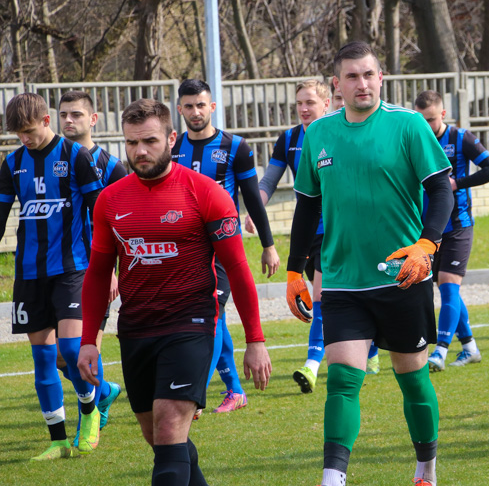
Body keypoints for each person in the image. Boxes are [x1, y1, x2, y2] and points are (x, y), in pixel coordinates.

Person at [77, 98, 271, 485]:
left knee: (168, 427)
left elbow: (237, 268)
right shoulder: (111, 201)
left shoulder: (205, 192)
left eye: (149, 141)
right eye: (131, 143)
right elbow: (98, 274)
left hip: (191, 323)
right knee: (161, 438)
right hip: (136, 328)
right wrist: (88, 340)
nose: (140, 151)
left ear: (172, 138)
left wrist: (256, 339)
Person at [284, 41, 453, 486]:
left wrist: (427, 245)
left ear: (382, 78)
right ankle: (332, 478)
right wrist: (294, 271)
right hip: (341, 280)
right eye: (352, 77)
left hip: (403, 274)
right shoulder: (318, 134)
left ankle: (426, 469)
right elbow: (306, 207)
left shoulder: (409, 126)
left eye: (369, 74)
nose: (363, 83)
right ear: (336, 85)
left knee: (412, 380)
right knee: (342, 380)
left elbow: (442, 190)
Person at [245, 79, 379, 394]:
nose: (304, 109)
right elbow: (268, 181)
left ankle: (312, 365)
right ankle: (370, 347)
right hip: (308, 231)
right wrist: (255, 208)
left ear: (326, 105)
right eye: (300, 104)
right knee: (333, 297)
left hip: (340, 229)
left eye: (310, 103)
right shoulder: (289, 139)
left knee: (320, 297)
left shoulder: (340, 133)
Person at [0, 93, 103, 459]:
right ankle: (58, 441)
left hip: (73, 269)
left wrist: (110, 266)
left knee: (71, 350)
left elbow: (99, 210)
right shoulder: (12, 164)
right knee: (42, 359)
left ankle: (90, 410)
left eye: (28, 131)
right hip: (29, 274)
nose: (24, 139)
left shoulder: (76, 156)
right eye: (18, 134)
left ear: (46, 121)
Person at [172, 79, 279, 416]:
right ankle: (234, 389)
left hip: (221, 248)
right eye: (188, 106)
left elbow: (252, 200)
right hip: (185, 249)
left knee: (212, 314)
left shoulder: (236, 147)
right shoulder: (172, 149)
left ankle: (195, 394)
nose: (195, 112)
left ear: (212, 107)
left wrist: (268, 245)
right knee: (207, 316)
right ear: (180, 110)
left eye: (201, 105)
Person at [413, 90, 489, 371]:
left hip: (459, 223)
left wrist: (457, 183)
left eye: (431, 119)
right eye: (421, 120)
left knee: (449, 285)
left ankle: (439, 351)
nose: (426, 126)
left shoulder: (461, 138)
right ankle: (470, 347)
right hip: (429, 228)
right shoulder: (414, 141)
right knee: (445, 286)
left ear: (443, 115)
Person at [57, 90, 125, 436]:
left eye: (77, 115)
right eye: (64, 114)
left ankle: (89, 424)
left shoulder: (112, 166)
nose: (69, 120)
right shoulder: (56, 158)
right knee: (61, 358)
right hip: (63, 270)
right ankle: (105, 392)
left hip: (94, 270)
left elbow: (122, 221)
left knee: (85, 349)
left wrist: (113, 270)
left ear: (93, 119)